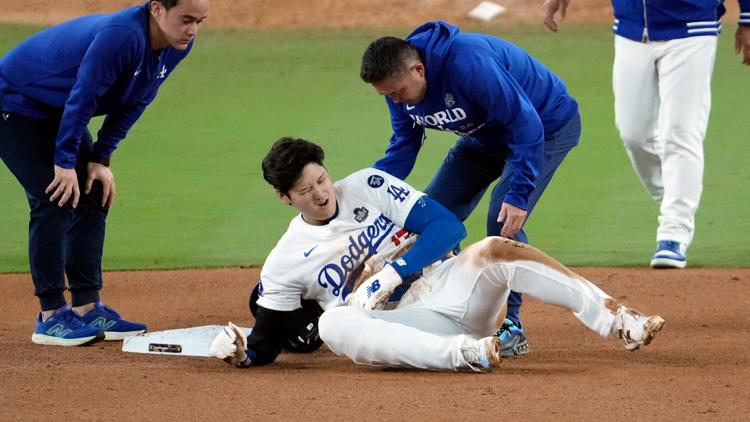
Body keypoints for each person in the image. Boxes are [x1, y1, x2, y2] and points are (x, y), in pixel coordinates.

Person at [208, 137, 665, 372]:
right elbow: (268, 338)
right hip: (397, 326)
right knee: (333, 323)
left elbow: (449, 226)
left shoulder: (368, 184)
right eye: (306, 191)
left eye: (322, 179)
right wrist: (243, 353)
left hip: (446, 289)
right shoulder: (285, 260)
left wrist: (388, 275)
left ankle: (618, 320)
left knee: (494, 249)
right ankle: (466, 355)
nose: (322, 193)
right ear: (285, 198)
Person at [358, 21, 582, 357]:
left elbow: (526, 123)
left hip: (546, 128)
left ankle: (512, 326)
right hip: (483, 137)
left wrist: (519, 194)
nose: (394, 100)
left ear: (418, 70)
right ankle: (454, 303)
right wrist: (366, 192)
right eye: (387, 95)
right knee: (429, 219)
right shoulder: (398, 84)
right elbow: (404, 146)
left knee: (501, 219)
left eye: (397, 92)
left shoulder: (468, 64)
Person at [0, 0, 210, 346]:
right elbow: (84, 97)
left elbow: (139, 99)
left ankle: (86, 306)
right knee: (55, 196)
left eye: (200, 21)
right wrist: (65, 163)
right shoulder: (123, 36)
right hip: (16, 101)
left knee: (93, 189)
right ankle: (51, 316)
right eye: (186, 19)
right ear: (157, 9)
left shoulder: (176, 45)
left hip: (56, 108)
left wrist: (100, 158)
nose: (193, 30)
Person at [542, 0, 750, 268]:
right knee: (633, 133)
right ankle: (676, 198)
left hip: (692, 30)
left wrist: (746, 16)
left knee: (680, 132)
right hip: (631, 30)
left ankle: (673, 232)